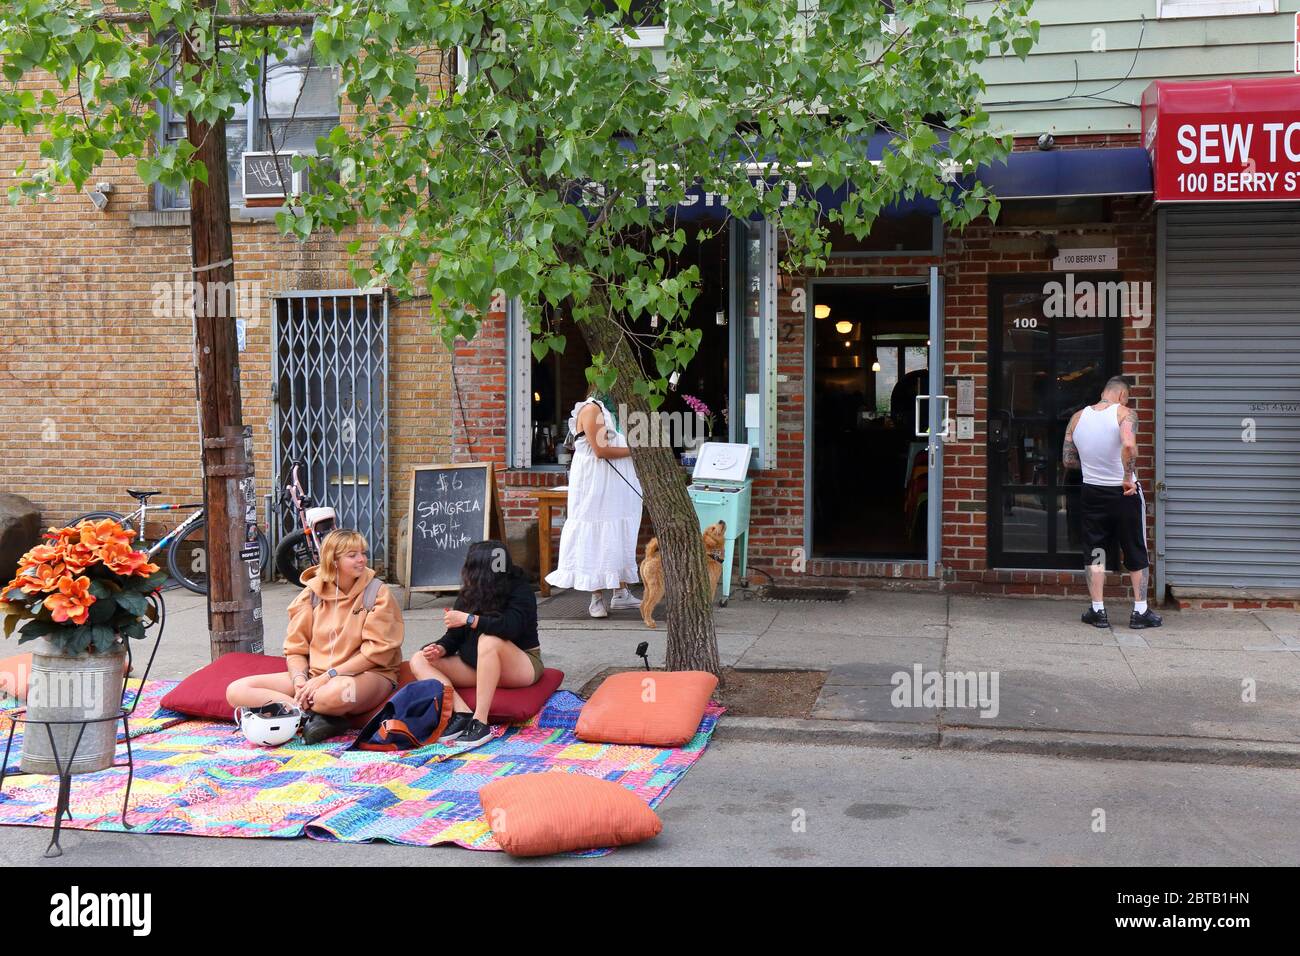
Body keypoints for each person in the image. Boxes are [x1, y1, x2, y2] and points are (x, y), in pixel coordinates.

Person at [226, 529, 404, 744]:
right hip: (314, 678)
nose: (362, 560)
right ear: (333, 560)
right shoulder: (311, 594)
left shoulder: (377, 592)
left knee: (335, 695)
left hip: (367, 674)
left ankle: (306, 712)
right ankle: (313, 716)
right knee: (236, 690)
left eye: (363, 553)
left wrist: (327, 676)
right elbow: (295, 649)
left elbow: (377, 653)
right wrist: (300, 680)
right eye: (352, 555)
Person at [410, 540, 543, 745]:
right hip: (479, 666)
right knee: (419, 659)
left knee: (489, 640)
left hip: (520, 665)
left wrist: (468, 619)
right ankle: (462, 713)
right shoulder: (470, 593)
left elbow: (510, 627)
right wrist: (440, 648)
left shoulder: (520, 588)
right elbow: (454, 637)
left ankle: (480, 722)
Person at [1063, 376, 1162, 630]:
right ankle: (1140, 611)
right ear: (1122, 395)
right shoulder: (1125, 414)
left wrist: (1093, 464)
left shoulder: (1077, 418)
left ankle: (1098, 610)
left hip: (1092, 491)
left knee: (1096, 550)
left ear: (1103, 391)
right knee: (1134, 547)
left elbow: (1068, 460)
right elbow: (1129, 444)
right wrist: (1127, 477)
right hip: (1123, 494)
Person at [544, 387, 643, 618]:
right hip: (595, 483)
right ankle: (596, 597)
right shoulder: (591, 409)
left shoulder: (612, 411)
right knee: (595, 533)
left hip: (614, 483)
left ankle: (621, 592)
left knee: (616, 531)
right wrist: (636, 451)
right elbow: (600, 451)